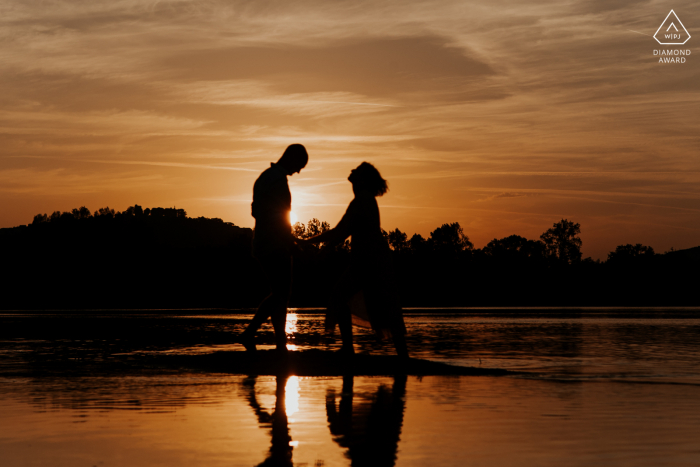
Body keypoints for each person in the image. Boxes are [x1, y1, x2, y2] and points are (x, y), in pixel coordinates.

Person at [302, 162, 408, 358]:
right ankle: (401, 356)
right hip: (370, 259)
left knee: (343, 297)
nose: (352, 173)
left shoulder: (362, 201)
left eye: (356, 173)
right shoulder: (363, 200)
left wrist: (313, 244)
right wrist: (312, 243)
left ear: (362, 180)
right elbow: (341, 231)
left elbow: (340, 232)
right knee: (383, 305)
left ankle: (350, 349)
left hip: (370, 260)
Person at [238, 144, 308, 353]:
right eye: (299, 166)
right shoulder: (277, 180)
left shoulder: (265, 177)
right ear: (291, 159)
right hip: (274, 244)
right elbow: (278, 216)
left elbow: (257, 211)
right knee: (281, 293)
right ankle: (276, 343)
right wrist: (289, 242)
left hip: (263, 242)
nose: (298, 171)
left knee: (278, 292)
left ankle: (257, 336)